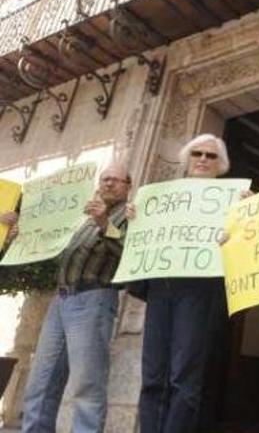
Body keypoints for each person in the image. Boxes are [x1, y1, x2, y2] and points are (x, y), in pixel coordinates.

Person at [19, 163, 131, 433]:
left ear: (128, 186)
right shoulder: (82, 216)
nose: (108, 184)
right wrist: (19, 232)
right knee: (41, 380)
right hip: (61, 301)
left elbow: (128, 254)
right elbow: (49, 242)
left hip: (94, 299)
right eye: (105, 179)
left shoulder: (128, 216)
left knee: (87, 383)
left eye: (116, 180)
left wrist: (105, 223)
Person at [136, 134, 232, 433]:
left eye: (211, 156)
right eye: (197, 153)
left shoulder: (233, 201)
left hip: (199, 290)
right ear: (187, 159)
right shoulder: (161, 199)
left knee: (184, 377)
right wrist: (135, 218)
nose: (203, 159)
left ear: (221, 165)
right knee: (152, 376)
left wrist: (248, 216)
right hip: (160, 288)